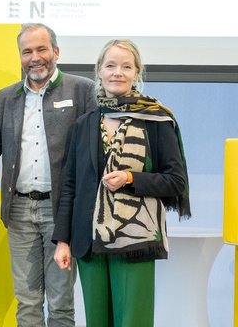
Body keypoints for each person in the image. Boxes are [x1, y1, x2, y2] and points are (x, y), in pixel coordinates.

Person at [0, 23, 95, 326]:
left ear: (56, 52)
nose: (34, 58)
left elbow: (93, 152)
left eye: (41, 49)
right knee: (27, 303)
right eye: (27, 51)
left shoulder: (81, 90)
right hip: (19, 211)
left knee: (61, 302)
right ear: (20, 56)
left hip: (61, 211)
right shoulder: (7, 97)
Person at [52, 39, 191, 327]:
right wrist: (63, 241)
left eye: (126, 67)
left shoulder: (156, 120)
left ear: (137, 72)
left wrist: (130, 178)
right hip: (89, 242)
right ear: (99, 71)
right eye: (110, 66)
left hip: (135, 240)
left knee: (132, 322)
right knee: (97, 322)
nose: (118, 72)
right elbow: (70, 186)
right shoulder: (84, 124)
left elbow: (175, 181)